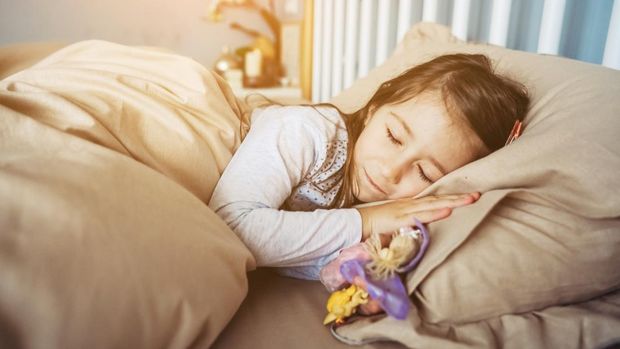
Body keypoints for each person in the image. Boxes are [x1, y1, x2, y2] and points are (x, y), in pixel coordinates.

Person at [208, 53, 530, 280]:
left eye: (424, 173)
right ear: (375, 106)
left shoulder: (392, 214)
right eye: (393, 136)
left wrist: (359, 269)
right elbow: (228, 230)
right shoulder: (308, 133)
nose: (391, 171)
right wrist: (365, 220)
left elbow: (294, 250)